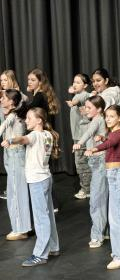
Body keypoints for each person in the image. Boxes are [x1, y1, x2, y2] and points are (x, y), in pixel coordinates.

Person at [8, 108, 60, 267]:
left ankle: (40, 254)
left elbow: (23, 139)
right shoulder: (48, 134)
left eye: (30, 118)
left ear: (39, 120)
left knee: (40, 218)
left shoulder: (35, 135)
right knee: (48, 214)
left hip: (37, 181)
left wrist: (11, 140)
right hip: (45, 178)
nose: (26, 120)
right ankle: (53, 247)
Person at [85, 105, 120, 269]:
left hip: (117, 175)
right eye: (107, 116)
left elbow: (111, 142)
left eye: (112, 116)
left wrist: (94, 148)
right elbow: (110, 142)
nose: (108, 119)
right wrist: (102, 139)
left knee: (117, 218)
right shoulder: (117, 133)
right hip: (114, 174)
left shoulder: (118, 133)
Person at [73, 96, 108, 248]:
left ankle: (97, 235)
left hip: (100, 162)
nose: (85, 110)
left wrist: (79, 143)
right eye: (85, 107)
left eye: (89, 108)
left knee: (96, 200)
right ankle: (104, 231)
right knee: (102, 198)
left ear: (99, 109)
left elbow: (89, 133)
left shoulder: (97, 120)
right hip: (97, 161)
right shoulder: (98, 119)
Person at [0, 90, 30, 240]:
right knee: (13, 191)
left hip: (16, 155)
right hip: (12, 154)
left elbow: (4, 126)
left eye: (4, 98)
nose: (1, 100)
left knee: (17, 191)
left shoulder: (13, 116)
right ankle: (20, 227)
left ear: (11, 102)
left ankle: (21, 229)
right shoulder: (14, 114)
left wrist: (10, 140)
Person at [66, 73, 92, 199]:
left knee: (81, 163)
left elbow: (77, 101)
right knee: (83, 162)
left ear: (85, 85)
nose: (74, 84)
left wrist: (72, 102)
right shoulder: (79, 94)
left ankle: (86, 189)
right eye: (74, 82)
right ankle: (88, 187)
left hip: (82, 137)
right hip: (79, 136)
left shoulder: (84, 95)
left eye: (78, 82)